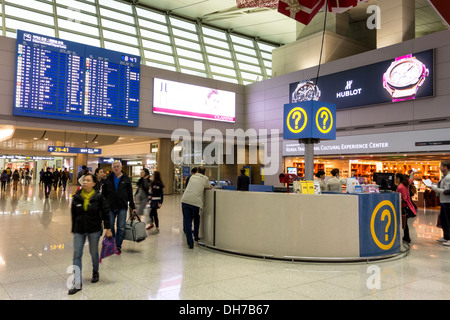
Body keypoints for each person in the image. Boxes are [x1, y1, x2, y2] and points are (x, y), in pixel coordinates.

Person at [69, 173, 112, 295]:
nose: (85, 182)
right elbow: (74, 214)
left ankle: (95, 271)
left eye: (88, 180)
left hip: (94, 229)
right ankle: (77, 283)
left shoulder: (99, 197)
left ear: (94, 183)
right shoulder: (77, 197)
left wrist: (108, 228)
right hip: (79, 229)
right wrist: (74, 228)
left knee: (93, 252)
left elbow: (105, 212)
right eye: (84, 180)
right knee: (77, 254)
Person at [101, 161, 136, 255]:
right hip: (110, 206)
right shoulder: (108, 179)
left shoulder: (126, 179)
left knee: (121, 227)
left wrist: (133, 206)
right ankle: (112, 244)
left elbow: (130, 194)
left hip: (122, 206)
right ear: (112, 168)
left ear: (121, 168)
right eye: (114, 167)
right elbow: (103, 194)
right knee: (110, 225)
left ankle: (118, 246)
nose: (116, 168)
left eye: (117, 166)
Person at [181, 166, 212, 249]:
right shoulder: (205, 178)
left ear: (197, 171)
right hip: (195, 202)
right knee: (196, 218)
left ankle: (190, 243)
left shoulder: (192, 177)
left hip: (185, 200)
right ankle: (196, 236)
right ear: (204, 172)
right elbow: (208, 186)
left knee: (187, 222)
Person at [429, 160, 450, 246]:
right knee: (444, 220)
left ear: (445, 167)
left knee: (448, 220)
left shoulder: (448, 177)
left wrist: (434, 188)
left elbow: (447, 191)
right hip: (443, 201)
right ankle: (446, 236)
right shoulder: (444, 177)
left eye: (441, 166)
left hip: (448, 202)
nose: (440, 167)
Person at [395, 173, 416, 244]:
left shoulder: (400, 187)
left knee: (404, 223)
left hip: (403, 206)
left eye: (396, 177)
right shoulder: (406, 184)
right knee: (405, 222)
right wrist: (412, 174)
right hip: (408, 205)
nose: (395, 179)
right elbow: (411, 179)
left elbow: (403, 198)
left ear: (398, 178)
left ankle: (407, 238)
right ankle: (406, 237)